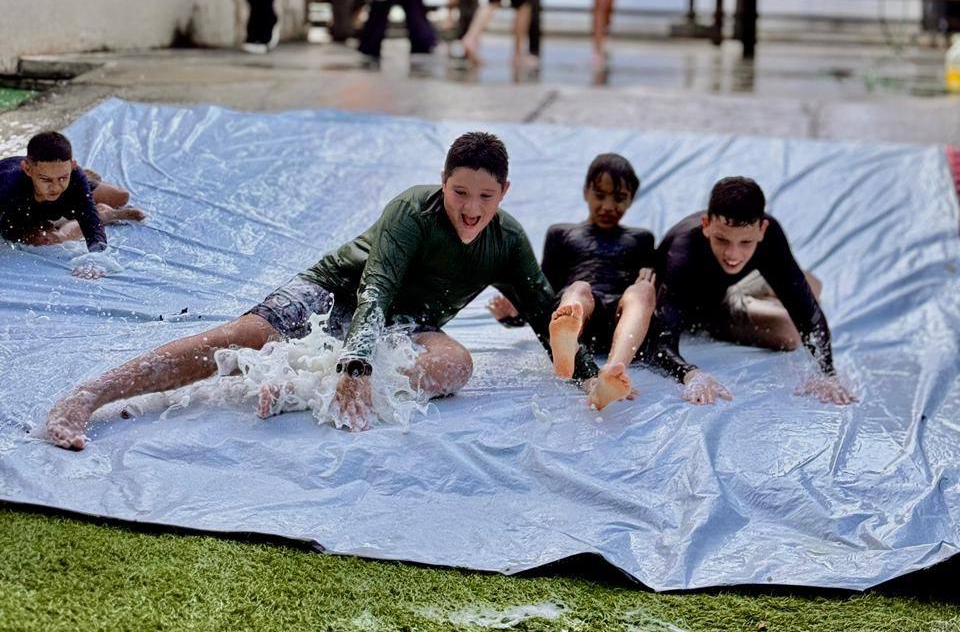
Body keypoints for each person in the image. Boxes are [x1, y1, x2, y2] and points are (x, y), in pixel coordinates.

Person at [44, 132, 601, 449]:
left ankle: (301, 383)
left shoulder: (506, 241)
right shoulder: (411, 209)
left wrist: (592, 377)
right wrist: (357, 364)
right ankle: (91, 394)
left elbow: (543, 315)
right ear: (442, 183)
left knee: (456, 364)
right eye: (459, 192)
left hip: (404, 322)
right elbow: (376, 287)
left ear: (504, 192)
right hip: (337, 290)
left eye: (485, 196)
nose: (471, 209)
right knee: (242, 340)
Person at [648, 176, 857, 406]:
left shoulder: (770, 233)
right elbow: (661, 341)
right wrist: (691, 375)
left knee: (808, 289)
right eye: (721, 239)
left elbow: (808, 312)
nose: (733, 254)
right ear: (706, 225)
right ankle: (763, 292)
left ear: (761, 229)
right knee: (789, 334)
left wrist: (826, 374)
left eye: (746, 242)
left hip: (738, 279)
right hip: (707, 305)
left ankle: (772, 287)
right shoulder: (683, 249)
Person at [489, 153, 656, 410]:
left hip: (620, 324)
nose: (609, 206)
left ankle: (613, 370)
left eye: (620, 198)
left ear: (632, 199)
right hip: (582, 317)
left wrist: (651, 282)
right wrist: (515, 313)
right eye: (600, 195)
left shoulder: (642, 238)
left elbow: (649, 293)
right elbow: (543, 291)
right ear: (586, 192)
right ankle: (565, 339)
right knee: (579, 288)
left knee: (644, 289)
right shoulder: (562, 233)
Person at [0, 131, 145, 278]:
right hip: (23, 208)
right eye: (46, 179)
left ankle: (82, 184)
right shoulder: (7, 186)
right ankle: (105, 214)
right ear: (27, 169)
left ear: (72, 166)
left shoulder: (73, 177)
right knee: (51, 240)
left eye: (63, 177)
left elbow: (89, 221)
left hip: (60, 196)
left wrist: (97, 257)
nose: (56, 187)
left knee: (120, 197)